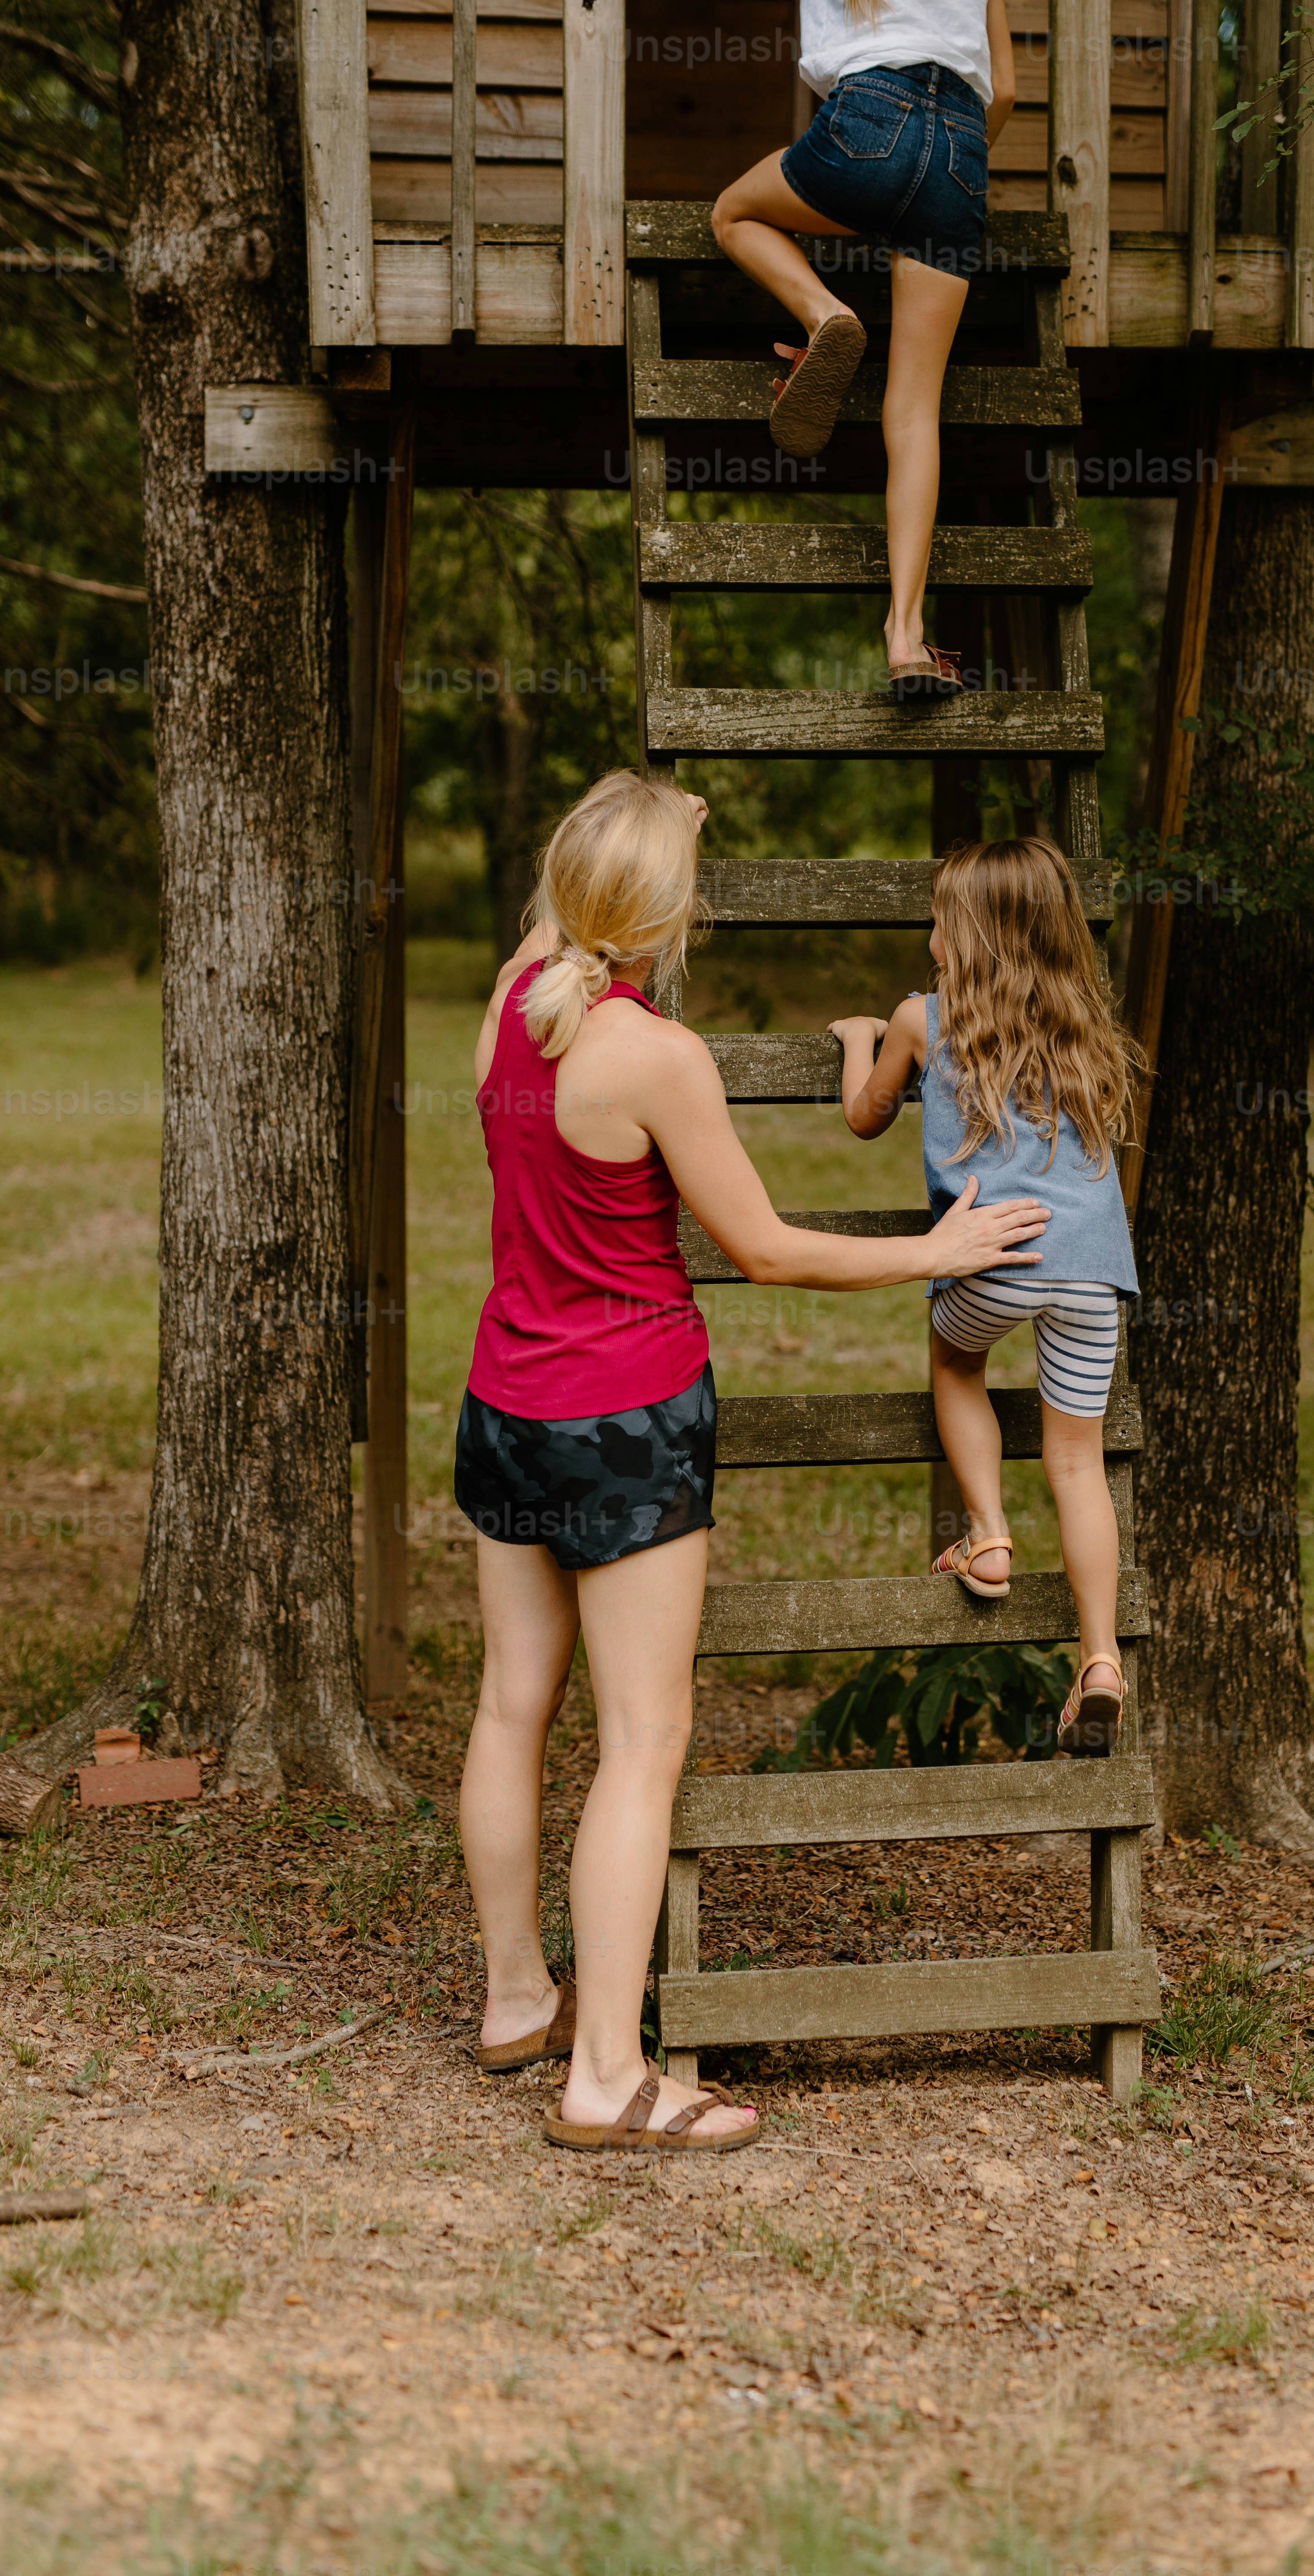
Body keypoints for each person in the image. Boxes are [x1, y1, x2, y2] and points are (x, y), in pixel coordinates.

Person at [457, 771, 1050, 2150]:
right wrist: (937, 1250)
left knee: (509, 1706)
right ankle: (606, 2077)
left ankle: (511, 1998)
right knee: (644, 1741)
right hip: (625, 1417)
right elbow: (768, 1249)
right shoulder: (654, 1055)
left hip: (504, 1398)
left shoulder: (512, 996)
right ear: (667, 911)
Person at [554, 0, 1016, 704]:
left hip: (868, 125)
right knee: (913, 412)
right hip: (962, 155)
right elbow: (1003, 88)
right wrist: (945, 170)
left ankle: (821, 309)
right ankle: (903, 637)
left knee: (734, 211)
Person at [828, 838, 1140, 1755]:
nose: (929, 934)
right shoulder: (1083, 1016)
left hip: (992, 1263)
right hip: (1091, 1271)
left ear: (964, 934)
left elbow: (864, 1117)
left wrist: (859, 1041)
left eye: (937, 919)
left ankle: (988, 1534)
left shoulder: (923, 1018)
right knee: (1077, 1463)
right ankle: (1099, 1659)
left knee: (956, 1361)